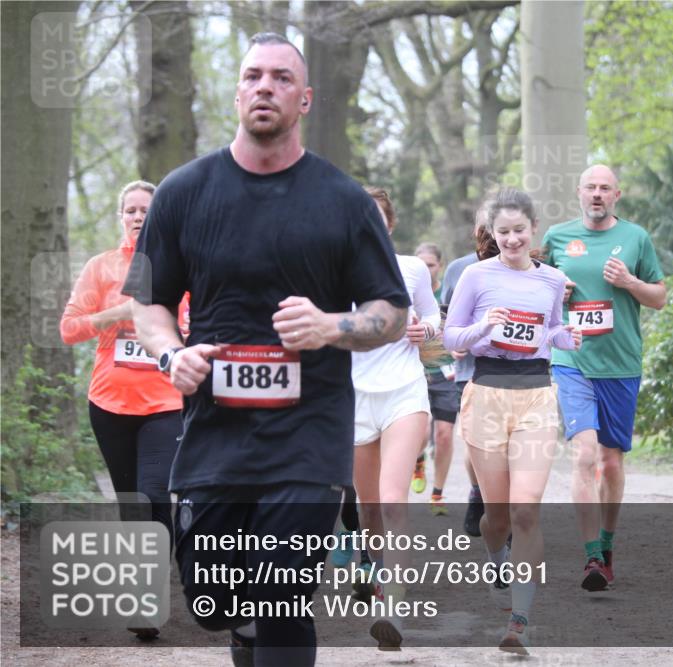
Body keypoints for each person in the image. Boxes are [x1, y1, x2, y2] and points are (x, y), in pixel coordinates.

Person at [124, 33, 409, 667]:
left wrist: (332, 326)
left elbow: (392, 313)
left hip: (308, 435)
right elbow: (147, 302)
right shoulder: (182, 192)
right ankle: (243, 628)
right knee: (216, 598)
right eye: (254, 75)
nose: (265, 87)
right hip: (215, 435)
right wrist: (173, 356)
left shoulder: (343, 202)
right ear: (236, 92)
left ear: (304, 99)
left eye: (282, 79)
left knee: (282, 597)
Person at [444, 188, 581, 654]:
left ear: (533, 229)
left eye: (519, 231)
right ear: (491, 234)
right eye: (502, 232)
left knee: (526, 510)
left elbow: (552, 331)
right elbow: (452, 337)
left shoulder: (551, 281)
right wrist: (486, 327)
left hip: (537, 395)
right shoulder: (475, 276)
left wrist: (568, 336)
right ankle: (493, 554)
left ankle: (518, 620)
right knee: (496, 517)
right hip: (486, 393)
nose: (511, 240)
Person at [60, 179, 187, 641]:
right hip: (109, 403)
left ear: (158, 217)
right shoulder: (101, 268)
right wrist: (118, 315)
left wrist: (172, 326)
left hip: (165, 401)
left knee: (155, 493)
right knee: (133, 502)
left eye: (145, 210)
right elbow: (70, 329)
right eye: (130, 209)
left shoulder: (178, 267)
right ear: (121, 217)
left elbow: (199, 324)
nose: (137, 216)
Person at [541, 165, 666, 592]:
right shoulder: (557, 238)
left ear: (617, 195)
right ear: (579, 193)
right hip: (572, 360)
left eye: (605, 188)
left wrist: (630, 281)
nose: (597, 194)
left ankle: (608, 545)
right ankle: (591, 555)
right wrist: (556, 292)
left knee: (611, 462)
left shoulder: (636, 238)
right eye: (590, 187)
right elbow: (535, 293)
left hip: (621, 364)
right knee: (584, 455)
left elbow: (660, 298)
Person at [350, 186, 439, 649]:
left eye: (378, 216)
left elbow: (433, 314)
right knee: (368, 509)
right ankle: (371, 560)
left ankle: (394, 605)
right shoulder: (334, 267)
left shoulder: (412, 268)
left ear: (390, 222)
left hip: (405, 393)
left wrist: (427, 328)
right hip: (354, 400)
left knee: (392, 500)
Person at [438, 204, 494, 535]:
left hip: (512, 371)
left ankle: (502, 505)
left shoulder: (525, 267)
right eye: (484, 223)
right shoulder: (459, 269)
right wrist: (452, 340)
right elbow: (444, 317)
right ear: (476, 229)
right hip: (469, 371)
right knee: (478, 446)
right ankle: (477, 491)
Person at [413, 241, 462, 515]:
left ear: (439, 266)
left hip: (446, 372)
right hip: (415, 371)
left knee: (444, 435)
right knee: (420, 430)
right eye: (421, 264)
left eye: (430, 264)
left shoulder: (448, 292)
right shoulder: (407, 290)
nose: (426, 269)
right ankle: (418, 460)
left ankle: (437, 494)